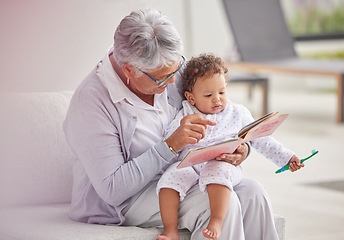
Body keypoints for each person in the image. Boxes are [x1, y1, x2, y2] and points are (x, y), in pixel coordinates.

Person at [63, 9, 303, 240]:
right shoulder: (92, 102)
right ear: (129, 70)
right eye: (163, 78)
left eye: (176, 70)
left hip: (186, 174)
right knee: (218, 207)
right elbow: (113, 190)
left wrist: (240, 150)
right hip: (126, 200)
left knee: (253, 194)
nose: (172, 82)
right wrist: (170, 145)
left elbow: (221, 114)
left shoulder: (169, 68)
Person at [156, 53, 303, 240]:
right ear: (191, 98)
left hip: (222, 163)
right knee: (169, 180)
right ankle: (170, 230)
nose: (217, 99)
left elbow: (262, 139)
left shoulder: (237, 113)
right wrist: (178, 137)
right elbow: (170, 136)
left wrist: (287, 158)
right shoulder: (186, 112)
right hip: (191, 166)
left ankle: (217, 220)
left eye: (222, 92)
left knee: (216, 172)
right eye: (208, 95)